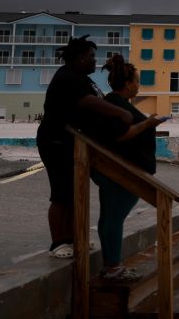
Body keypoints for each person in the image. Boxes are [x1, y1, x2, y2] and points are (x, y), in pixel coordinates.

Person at [36, 36, 134, 258]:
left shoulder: (82, 78)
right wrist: (120, 112)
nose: (94, 61)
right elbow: (88, 102)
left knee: (73, 192)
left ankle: (74, 237)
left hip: (74, 144)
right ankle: (58, 242)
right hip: (56, 142)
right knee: (61, 193)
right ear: (80, 58)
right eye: (91, 57)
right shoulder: (67, 77)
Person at [95, 55, 168, 281]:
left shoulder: (116, 103)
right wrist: (148, 123)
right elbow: (120, 135)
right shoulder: (115, 105)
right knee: (114, 217)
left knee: (109, 217)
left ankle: (110, 265)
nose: (138, 85)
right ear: (128, 84)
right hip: (122, 172)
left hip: (119, 169)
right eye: (137, 81)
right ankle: (113, 267)